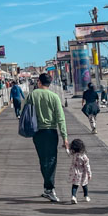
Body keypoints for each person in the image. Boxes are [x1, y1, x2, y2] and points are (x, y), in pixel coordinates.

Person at [23, 71, 69, 202]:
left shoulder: (32, 95)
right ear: (49, 83)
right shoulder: (54, 97)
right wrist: (65, 137)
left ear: (39, 82)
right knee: (51, 160)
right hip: (51, 132)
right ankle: (50, 188)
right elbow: (61, 118)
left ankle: (47, 188)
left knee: (43, 160)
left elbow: (24, 111)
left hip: (37, 132)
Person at [68, 138, 92, 203]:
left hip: (75, 172)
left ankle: (73, 196)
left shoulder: (74, 155)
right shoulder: (84, 156)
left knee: (75, 185)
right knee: (84, 185)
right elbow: (87, 166)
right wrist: (89, 174)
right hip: (83, 172)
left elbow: (68, 153)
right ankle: (86, 196)